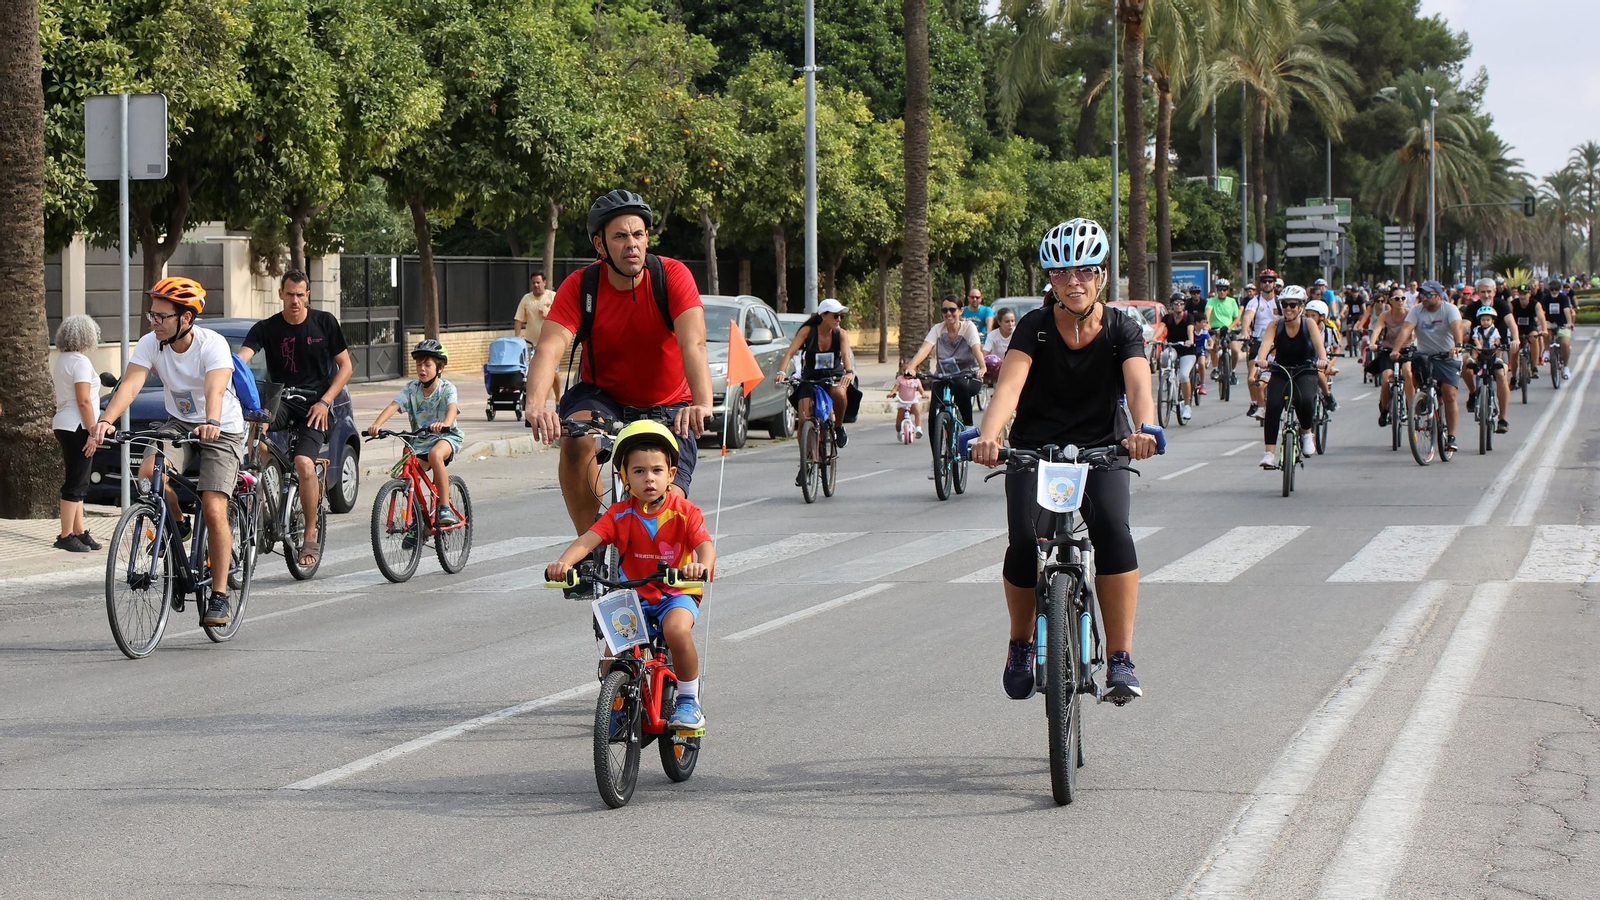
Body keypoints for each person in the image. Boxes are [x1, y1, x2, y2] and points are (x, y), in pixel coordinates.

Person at [969, 218, 1159, 706]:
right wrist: (989, 437)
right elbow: (1009, 388)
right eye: (1060, 273)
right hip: (1035, 448)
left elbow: (1139, 384)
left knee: (1113, 530)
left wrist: (1145, 429)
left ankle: (1120, 657)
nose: (1073, 282)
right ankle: (1020, 644)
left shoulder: (1121, 328)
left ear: (1102, 275)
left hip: (1103, 447)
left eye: (1085, 271)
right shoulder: (1033, 328)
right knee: (1022, 539)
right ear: (1050, 280)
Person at [524, 190, 713, 536]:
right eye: (620, 236)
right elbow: (549, 348)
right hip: (603, 396)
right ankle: (590, 545)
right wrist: (536, 404)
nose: (632, 245)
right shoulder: (582, 286)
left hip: (669, 402)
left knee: (666, 499)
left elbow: (694, 344)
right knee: (574, 437)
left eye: (638, 234)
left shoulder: (671, 276)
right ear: (600, 244)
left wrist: (702, 402)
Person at [86, 277, 245, 628]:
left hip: (222, 427)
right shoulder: (151, 343)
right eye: (152, 315)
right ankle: (177, 524)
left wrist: (212, 420)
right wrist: (106, 420)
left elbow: (215, 388)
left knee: (213, 506)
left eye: (161, 316)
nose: (153, 322)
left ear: (185, 318)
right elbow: (131, 384)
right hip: (179, 422)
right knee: (148, 473)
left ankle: (219, 595)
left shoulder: (211, 345)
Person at [544, 421, 715, 731]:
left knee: (676, 631)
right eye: (638, 471)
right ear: (624, 477)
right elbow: (588, 540)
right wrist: (563, 563)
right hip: (633, 597)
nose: (649, 478)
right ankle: (618, 706)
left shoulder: (685, 511)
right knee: (613, 655)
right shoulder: (620, 514)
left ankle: (688, 701)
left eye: (656, 470)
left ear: (671, 475)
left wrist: (700, 565)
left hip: (674, 594)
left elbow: (705, 546)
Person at [238, 270, 353, 569]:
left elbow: (346, 367)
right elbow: (241, 359)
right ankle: (260, 496)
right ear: (280, 294)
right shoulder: (266, 328)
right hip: (282, 402)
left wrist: (325, 401)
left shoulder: (325, 323)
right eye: (290, 294)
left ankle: (310, 533)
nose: (295, 301)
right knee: (257, 430)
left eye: (301, 295)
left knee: (303, 463)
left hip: (316, 406)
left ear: (308, 296)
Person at [366, 340, 464, 535]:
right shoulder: (411, 388)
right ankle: (419, 523)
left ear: (440, 368)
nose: (422, 369)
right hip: (421, 441)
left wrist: (444, 423)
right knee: (410, 476)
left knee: (435, 455)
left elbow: (452, 408)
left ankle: (444, 506)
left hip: (446, 437)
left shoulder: (447, 388)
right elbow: (394, 405)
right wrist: (377, 424)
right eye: (419, 364)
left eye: (427, 365)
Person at [1387, 280, 1467, 454]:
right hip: (1425, 357)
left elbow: (1457, 327)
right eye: (1422, 294)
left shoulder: (1449, 309)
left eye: (1428, 294)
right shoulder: (1417, 310)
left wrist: (1458, 345)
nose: (1424, 298)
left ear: (1438, 296)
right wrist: (1396, 350)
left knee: (1449, 394)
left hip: (1447, 356)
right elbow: (1406, 330)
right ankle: (1424, 402)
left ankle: (1451, 436)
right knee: (1417, 378)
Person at [1252, 285, 1328, 468]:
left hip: (1305, 369)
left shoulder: (1308, 324)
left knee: (1305, 399)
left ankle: (1306, 432)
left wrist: (1323, 360)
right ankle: (1269, 453)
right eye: (1284, 304)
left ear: (1301, 306)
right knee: (1273, 405)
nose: (1288, 308)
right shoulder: (1275, 325)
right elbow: (1265, 345)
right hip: (1281, 370)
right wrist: (1261, 360)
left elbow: (1319, 346)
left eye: (1293, 305)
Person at [773, 298, 857, 449]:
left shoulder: (841, 334)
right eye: (835, 315)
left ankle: (838, 427)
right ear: (823, 316)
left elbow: (846, 356)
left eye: (841, 316)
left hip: (833, 376)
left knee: (839, 394)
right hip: (810, 378)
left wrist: (849, 372)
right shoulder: (808, 331)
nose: (839, 319)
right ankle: (806, 458)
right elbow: (790, 352)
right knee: (804, 418)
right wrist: (781, 372)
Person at [51, 315, 103, 552]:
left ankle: (79, 531)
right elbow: (84, 401)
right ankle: (65, 535)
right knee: (76, 481)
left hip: (64, 423)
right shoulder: (80, 362)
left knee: (79, 479)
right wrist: (93, 432)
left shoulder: (62, 360)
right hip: (78, 426)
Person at [904, 294, 987, 428]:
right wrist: (911, 367)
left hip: (968, 375)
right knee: (934, 412)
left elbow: (976, 349)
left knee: (960, 385)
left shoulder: (968, 327)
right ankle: (936, 437)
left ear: (961, 311)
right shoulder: (938, 329)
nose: (948, 313)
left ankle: (968, 426)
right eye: (944, 310)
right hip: (943, 376)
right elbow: (924, 349)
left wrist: (982, 367)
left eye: (952, 310)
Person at [1461, 277, 1514, 434]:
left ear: (1494, 292)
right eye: (1482, 292)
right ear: (1477, 293)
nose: (1486, 295)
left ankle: (1502, 419)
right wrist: (1457, 339)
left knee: (1500, 374)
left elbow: (1511, 323)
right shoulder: (1472, 307)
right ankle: (1473, 392)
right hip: (1476, 350)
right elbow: (1465, 324)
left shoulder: (1502, 305)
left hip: (1497, 350)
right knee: (1463, 362)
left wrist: (1516, 339)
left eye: (1489, 291)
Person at [1366, 289, 1414, 427]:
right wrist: (1372, 343)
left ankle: (1411, 408)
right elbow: (1377, 329)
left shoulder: (1410, 314)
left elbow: (1416, 329)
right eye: (1397, 298)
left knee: (1408, 372)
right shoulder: (1385, 315)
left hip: (1406, 349)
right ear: (1391, 301)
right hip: (1388, 350)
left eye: (1403, 298)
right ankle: (1385, 409)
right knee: (1387, 377)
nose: (1400, 301)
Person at [512, 270, 561, 403]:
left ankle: (558, 399)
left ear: (544, 283)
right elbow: (518, 319)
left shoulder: (553, 296)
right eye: (533, 283)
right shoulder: (526, 299)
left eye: (538, 282)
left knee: (553, 372)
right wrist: (517, 336)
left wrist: (547, 315)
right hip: (531, 344)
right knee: (534, 374)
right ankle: (539, 402)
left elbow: (561, 316)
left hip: (550, 343)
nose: (536, 285)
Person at [1238, 269, 1281, 419]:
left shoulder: (1280, 302)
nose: (1267, 283)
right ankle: (1255, 402)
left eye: (1270, 281)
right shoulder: (1255, 301)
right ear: (1260, 283)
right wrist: (1245, 330)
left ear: (1274, 284)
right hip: (1258, 341)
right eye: (1264, 281)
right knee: (1252, 374)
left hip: (1277, 342)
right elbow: (1248, 316)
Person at [1465, 305, 1509, 432]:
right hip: (1481, 353)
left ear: (1492, 320)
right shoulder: (1477, 329)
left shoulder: (1495, 330)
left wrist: (1496, 345)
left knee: (1499, 356)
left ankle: (1502, 417)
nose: (1485, 322)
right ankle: (1473, 363)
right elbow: (1475, 339)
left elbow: (1498, 340)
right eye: (1483, 320)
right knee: (1472, 352)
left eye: (1488, 320)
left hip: (1492, 353)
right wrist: (1478, 345)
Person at [1160, 293, 1198, 420]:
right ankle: (1167, 378)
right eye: (1176, 303)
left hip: (1187, 351)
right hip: (1173, 347)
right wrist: (1153, 339)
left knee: (1184, 375)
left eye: (1181, 303)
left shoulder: (1189, 317)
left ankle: (1187, 406)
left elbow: (1190, 330)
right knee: (1165, 356)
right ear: (1172, 305)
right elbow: (1160, 328)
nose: (1178, 306)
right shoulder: (1168, 318)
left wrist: (1190, 340)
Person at [1304, 298, 1339, 411]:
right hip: (1307, 358)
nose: (1309, 318)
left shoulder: (1329, 330)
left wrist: (1330, 363)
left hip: (1324, 360)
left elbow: (1337, 347)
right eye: (1307, 315)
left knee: (1318, 372)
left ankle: (1327, 395)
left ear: (1322, 317)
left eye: (1313, 315)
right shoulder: (1303, 329)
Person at [1205, 278, 1241, 382]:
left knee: (1235, 350)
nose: (1222, 292)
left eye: (1224, 290)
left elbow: (1237, 317)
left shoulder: (1232, 301)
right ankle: (1215, 369)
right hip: (1215, 329)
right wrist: (1208, 324)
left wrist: (1230, 327)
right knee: (1213, 347)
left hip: (1229, 329)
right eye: (1219, 289)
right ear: (1217, 290)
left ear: (1227, 291)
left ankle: (1233, 371)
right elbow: (1207, 312)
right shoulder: (1211, 301)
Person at [1539, 278, 1575, 379]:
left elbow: (1567, 310)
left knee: (1565, 344)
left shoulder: (1564, 298)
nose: (1554, 291)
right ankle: (1547, 350)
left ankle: (1566, 367)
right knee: (1545, 330)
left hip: (1562, 323)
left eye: (1556, 290)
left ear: (1559, 290)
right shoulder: (1545, 298)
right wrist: (1542, 323)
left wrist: (1569, 323)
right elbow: (1542, 312)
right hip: (1550, 322)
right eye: (1552, 290)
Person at [889, 366, 927, 439]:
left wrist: (923, 394)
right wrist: (892, 393)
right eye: (904, 371)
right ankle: (899, 431)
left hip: (912, 401)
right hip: (902, 401)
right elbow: (895, 388)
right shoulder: (900, 379)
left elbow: (921, 389)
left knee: (917, 412)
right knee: (899, 421)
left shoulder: (916, 380)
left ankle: (918, 429)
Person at [982, 307, 1017, 382]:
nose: (1010, 324)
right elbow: (985, 354)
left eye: (1012, 321)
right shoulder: (992, 335)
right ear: (999, 322)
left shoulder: (1018, 333)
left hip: (1014, 368)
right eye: (1007, 322)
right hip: (996, 371)